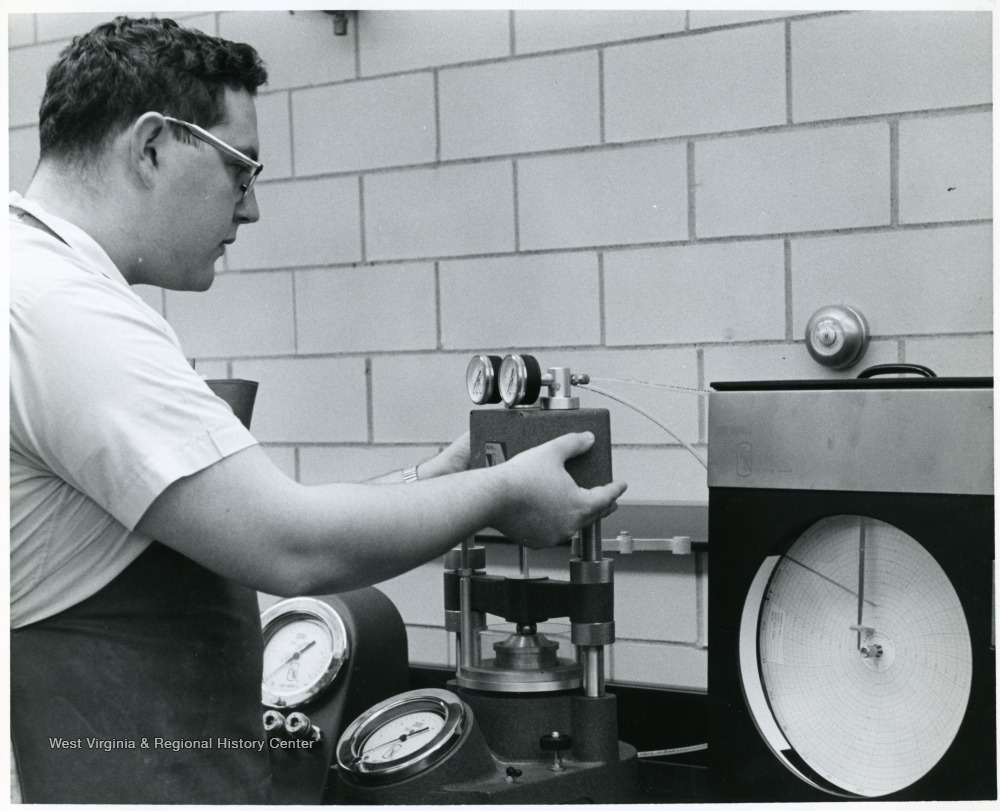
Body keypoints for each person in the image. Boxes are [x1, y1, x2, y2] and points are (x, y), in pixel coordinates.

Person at [8, 16, 626, 804]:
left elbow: (243, 518)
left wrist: (435, 479)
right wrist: (500, 494)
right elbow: (291, 545)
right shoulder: (62, 310)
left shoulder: (37, 286)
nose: (251, 209)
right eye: (241, 170)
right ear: (153, 146)